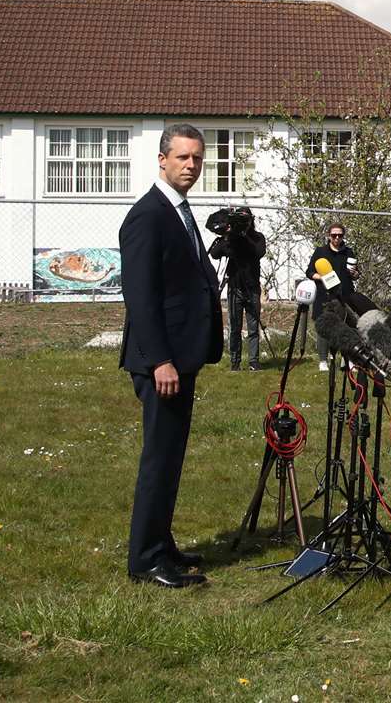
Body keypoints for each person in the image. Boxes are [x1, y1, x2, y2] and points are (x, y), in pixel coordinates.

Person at [118, 122, 222, 588]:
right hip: (160, 361)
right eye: (182, 157)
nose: (191, 166)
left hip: (181, 357)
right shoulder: (149, 215)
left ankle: (163, 544)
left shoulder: (180, 211)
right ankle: (145, 560)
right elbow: (140, 297)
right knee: (159, 459)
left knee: (172, 455)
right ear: (162, 159)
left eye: (197, 158)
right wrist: (160, 359)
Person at [207, 208, 266, 371]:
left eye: (245, 220)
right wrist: (229, 235)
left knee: (253, 327)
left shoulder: (257, 237)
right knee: (235, 327)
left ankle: (253, 361)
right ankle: (235, 362)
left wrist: (244, 235)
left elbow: (259, 252)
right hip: (235, 288)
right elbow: (215, 253)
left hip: (252, 288)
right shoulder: (231, 238)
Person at [306, 222, 359, 372]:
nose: (336, 238)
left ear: (343, 236)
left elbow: (355, 274)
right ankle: (323, 360)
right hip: (325, 296)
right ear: (329, 236)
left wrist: (355, 274)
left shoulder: (349, 252)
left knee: (348, 328)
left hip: (346, 295)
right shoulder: (320, 252)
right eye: (333, 235)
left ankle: (348, 360)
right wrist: (321, 278)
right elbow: (309, 272)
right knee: (324, 328)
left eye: (340, 235)